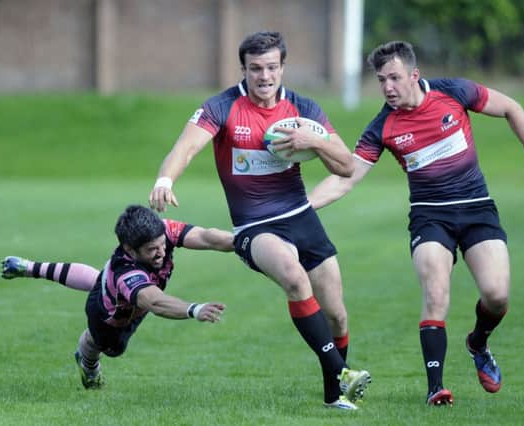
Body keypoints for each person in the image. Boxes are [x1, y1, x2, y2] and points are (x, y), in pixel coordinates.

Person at [309, 41, 524, 405]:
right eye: (381, 80)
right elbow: (347, 177)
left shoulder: (453, 92)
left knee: (497, 295)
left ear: (414, 75)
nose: (388, 87)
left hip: (476, 208)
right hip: (430, 215)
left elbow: (512, 108)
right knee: (436, 293)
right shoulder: (383, 125)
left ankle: (477, 343)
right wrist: (304, 206)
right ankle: (435, 387)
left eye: (394, 77)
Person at [148, 31, 371, 410]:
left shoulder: (303, 109)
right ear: (244, 70)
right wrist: (165, 179)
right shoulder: (223, 106)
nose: (264, 76)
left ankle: (335, 393)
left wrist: (312, 141)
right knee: (293, 276)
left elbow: (347, 165)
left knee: (336, 313)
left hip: (301, 218)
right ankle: (342, 372)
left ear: (283, 67)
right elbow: (186, 147)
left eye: (271, 67)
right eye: (255, 69)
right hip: (255, 226)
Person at [1, 204, 230, 389]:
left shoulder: (159, 231)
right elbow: (154, 301)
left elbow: (206, 237)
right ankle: (87, 364)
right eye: (153, 249)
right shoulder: (126, 272)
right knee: (109, 347)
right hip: (110, 315)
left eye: (163, 245)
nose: (162, 252)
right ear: (130, 249)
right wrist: (194, 309)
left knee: (100, 280)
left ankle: (30, 267)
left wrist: (244, 241)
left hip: (116, 287)